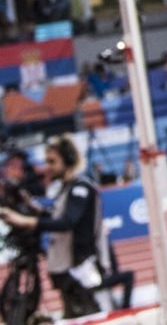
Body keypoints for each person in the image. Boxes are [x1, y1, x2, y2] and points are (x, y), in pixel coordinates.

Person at [0, 136, 106, 318]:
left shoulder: (80, 188)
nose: (47, 167)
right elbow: (55, 216)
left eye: (52, 161)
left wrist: (24, 221)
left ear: (68, 161)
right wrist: (32, 206)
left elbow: (67, 222)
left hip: (79, 271)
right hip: (66, 271)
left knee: (87, 318)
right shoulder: (64, 189)